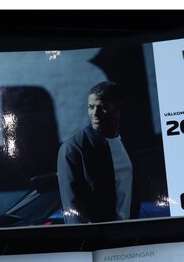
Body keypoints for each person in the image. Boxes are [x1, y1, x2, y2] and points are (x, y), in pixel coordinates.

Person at [57, 81, 139, 224]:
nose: (95, 114)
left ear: (119, 108)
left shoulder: (128, 144)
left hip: (129, 230)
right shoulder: (73, 149)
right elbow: (73, 208)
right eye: (91, 107)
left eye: (103, 107)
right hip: (98, 235)